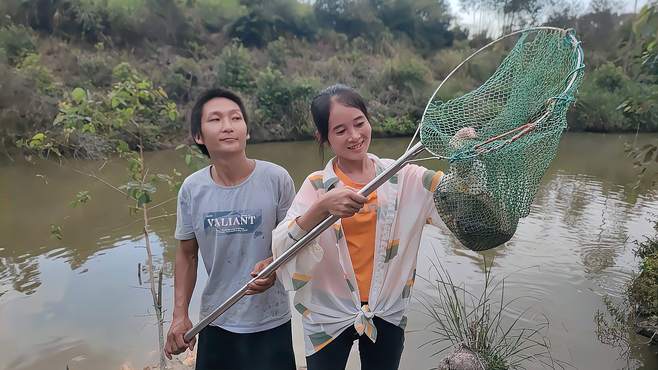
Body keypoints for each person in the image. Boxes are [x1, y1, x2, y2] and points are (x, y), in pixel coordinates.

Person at [272, 84, 468, 370]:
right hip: (328, 312)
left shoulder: (404, 176)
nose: (354, 136)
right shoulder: (316, 186)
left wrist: (465, 160)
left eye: (359, 123)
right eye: (340, 130)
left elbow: (458, 201)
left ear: (369, 120)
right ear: (323, 137)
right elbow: (281, 248)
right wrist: (322, 207)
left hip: (387, 308)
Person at [164, 88, 297, 370]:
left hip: (271, 320)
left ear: (246, 130)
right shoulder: (192, 189)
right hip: (216, 319)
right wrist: (179, 315)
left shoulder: (277, 179)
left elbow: (295, 241)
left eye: (235, 118)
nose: (228, 126)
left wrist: (274, 264)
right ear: (199, 137)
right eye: (215, 119)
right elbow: (187, 255)